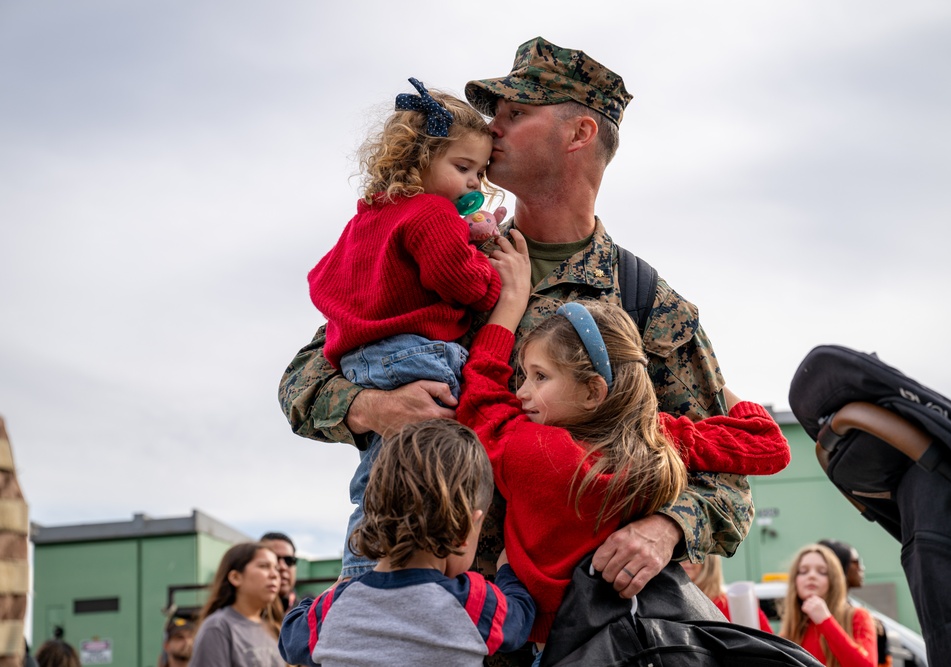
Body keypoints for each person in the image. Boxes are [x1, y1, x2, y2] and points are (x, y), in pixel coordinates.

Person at [278, 37, 752, 664]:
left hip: (572, 633)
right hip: (416, 620)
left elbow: (730, 474)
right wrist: (371, 407)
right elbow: (300, 381)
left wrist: (663, 530)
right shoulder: (442, 252)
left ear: (579, 132)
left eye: (514, 113)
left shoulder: (644, 302)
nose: (491, 128)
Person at [457, 242, 788, 648]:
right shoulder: (658, 443)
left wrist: (508, 307)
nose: (522, 392)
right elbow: (769, 444)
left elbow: (481, 397)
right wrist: (718, 388)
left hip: (547, 641)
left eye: (539, 377)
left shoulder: (533, 453)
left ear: (593, 391)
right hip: (625, 639)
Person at [307, 77, 502, 579]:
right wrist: (486, 269)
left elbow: (324, 279)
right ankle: (364, 584)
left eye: (480, 173)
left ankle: (366, 580)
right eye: (463, 168)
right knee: (409, 479)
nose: (474, 185)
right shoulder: (432, 212)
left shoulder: (368, 217)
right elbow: (461, 282)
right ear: (419, 160)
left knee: (385, 479)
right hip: (417, 356)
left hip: (365, 359)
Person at [278, 419, 535, 666]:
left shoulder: (333, 608)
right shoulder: (472, 602)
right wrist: (507, 572)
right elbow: (519, 620)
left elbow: (290, 639)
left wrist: (338, 591)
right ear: (465, 529)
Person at [780, 543, 877, 667]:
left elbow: (866, 665)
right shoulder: (793, 626)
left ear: (833, 580)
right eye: (803, 571)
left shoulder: (858, 616)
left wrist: (825, 621)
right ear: (795, 580)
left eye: (822, 572)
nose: (811, 576)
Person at [189, 542, 284, 667]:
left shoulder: (274, 628)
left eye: (276, 568)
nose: (275, 575)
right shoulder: (218, 627)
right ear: (235, 577)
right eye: (264, 566)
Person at [819, 539, 890, 667]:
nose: (861, 568)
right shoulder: (806, 619)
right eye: (855, 562)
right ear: (837, 567)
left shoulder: (862, 618)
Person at [681, 554, 773, 632]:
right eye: (678, 553)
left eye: (692, 552)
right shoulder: (672, 604)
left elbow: (769, 645)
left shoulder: (734, 605)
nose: (685, 560)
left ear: (710, 560)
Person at [259, 532, 298, 614]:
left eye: (289, 560)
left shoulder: (310, 615)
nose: (283, 567)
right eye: (275, 559)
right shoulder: (240, 617)